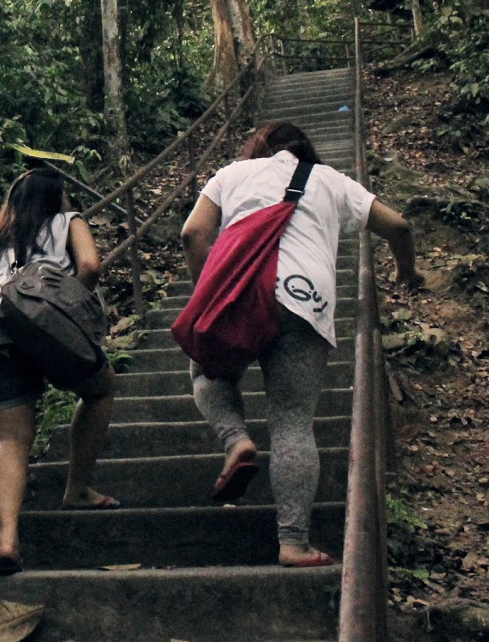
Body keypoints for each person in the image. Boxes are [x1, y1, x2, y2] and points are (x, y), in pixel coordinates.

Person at [180, 120, 424, 567]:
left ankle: (236, 439)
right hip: (305, 299)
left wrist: (209, 297)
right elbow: (399, 226)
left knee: (205, 371)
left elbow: (193, 234)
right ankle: (293, 543)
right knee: (292, 421)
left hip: (242, 294)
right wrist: (406, 272)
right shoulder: (331, 180)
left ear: (258, 148)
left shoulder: (231, 174)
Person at [0, 168, 119, 577]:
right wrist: (70, 301)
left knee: (10, 437)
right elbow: (90, 266)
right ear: (57, 196)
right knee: (100, 390)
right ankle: (77, 489)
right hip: (47, 325)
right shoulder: (68, 221)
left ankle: (7, 542)